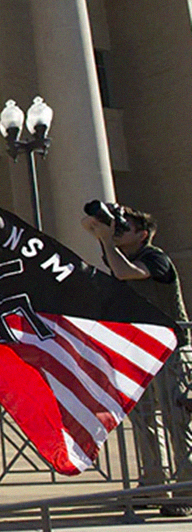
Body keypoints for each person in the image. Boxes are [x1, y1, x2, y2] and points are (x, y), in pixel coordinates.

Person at [83, 206, 192, 517]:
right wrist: (108, 218)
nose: (118, 231)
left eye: (125, 227)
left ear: (143, 235)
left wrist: (107, 240)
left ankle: (187, 489)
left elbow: (124, 273)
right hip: (139, 352)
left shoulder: (156, 258)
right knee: (143, 418)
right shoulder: (121, 253)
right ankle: (152, 483)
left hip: (170, 350)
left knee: (175, 418)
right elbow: (86, 222)